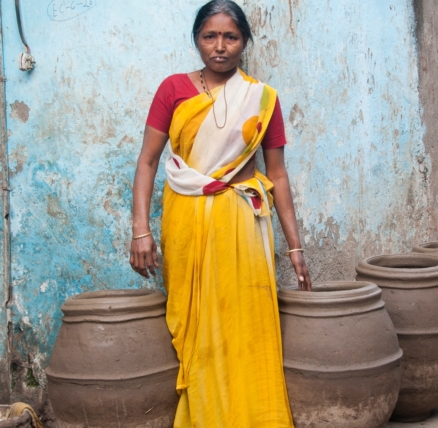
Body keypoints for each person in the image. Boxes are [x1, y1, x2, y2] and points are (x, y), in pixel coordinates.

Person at [129, 1, 311, 426]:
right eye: (210, 36)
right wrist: (141, 229)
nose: (220, 46)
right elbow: (147, 162)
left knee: (245, 324)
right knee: (199, 331)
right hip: (186, 220)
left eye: (230, 37)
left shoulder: (262, 99)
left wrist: (295, 246)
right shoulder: (173, 89)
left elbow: (278, 176)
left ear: (245, 41)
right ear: (197, 40)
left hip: (242, 223)